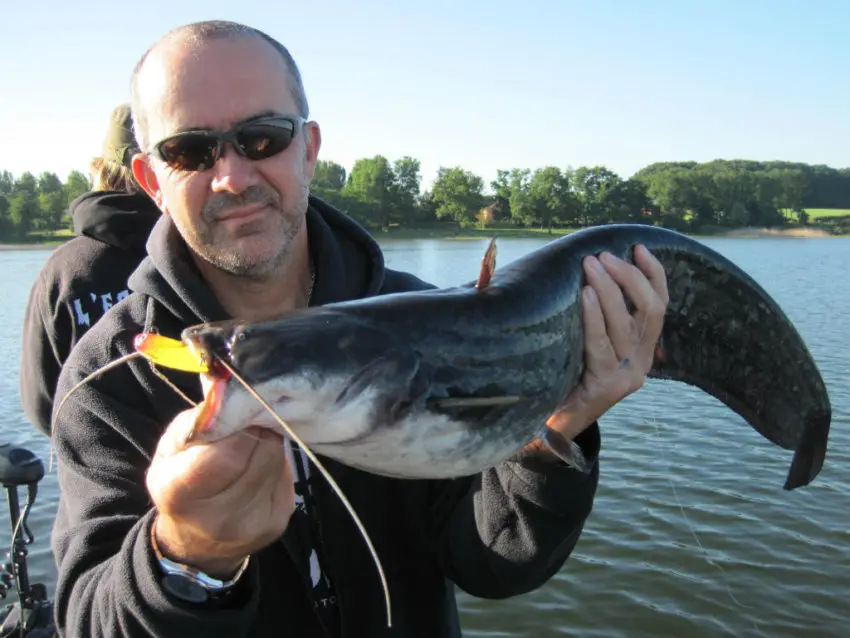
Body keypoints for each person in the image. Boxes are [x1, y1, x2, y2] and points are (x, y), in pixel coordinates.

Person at [49, 20, 670, 638]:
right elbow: (86, 619)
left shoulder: (429, 320)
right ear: (153, 180)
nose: (233, 177)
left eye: (262, 138)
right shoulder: (107, 378)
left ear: (309, 148)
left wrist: (557, 426)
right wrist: (186, 556)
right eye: (189, 150)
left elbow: (492, 564)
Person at [19, 104, 161, 438]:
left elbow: (41, 401)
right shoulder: (195, 254)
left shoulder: (64, 270)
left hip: (95, 474)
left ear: (100, 170)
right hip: (202, 468)